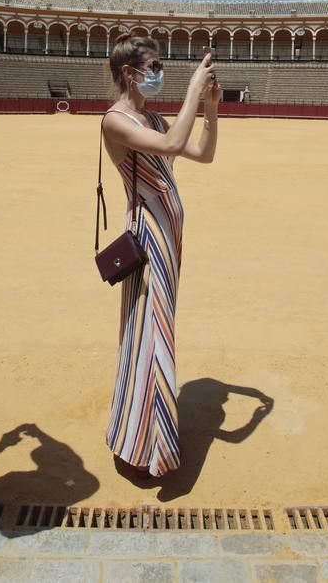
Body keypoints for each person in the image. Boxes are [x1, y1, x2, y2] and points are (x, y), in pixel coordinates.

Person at [100, 35, 220, 478]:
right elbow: (170, 147)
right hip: (148, 235)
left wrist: (209, 106)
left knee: (155, 327)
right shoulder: (115, 121)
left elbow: (202, 154)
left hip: (167, 236)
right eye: (153, 65)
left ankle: (147, 435)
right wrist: (192, 90)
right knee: (149, 330)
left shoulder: (151, 116)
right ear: (129, 72)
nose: (159, 72)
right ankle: (144, 442)